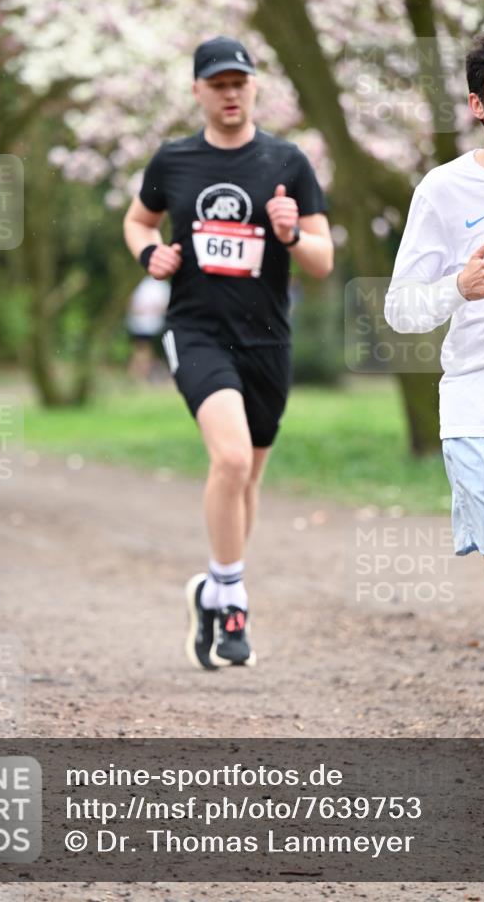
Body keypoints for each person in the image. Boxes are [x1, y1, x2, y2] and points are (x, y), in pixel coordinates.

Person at [123, 36, 332, 669]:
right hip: (197, 331)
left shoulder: (287, 162)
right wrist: (147, 253)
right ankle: (234, 601)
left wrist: (292, 233)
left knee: (248, 479)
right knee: (232, 459)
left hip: (268, 339)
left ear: (254, 87)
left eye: (240, 80)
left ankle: (210, 588)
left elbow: (322, 262)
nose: (231, 91)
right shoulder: (174, 160)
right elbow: (139, 220)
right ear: (198, 92)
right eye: (218, 83)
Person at [384, 21, 484, 812]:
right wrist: (458, 290)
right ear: (479, 103)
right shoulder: (444, 192)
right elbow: (399, 310)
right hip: (479, 410)